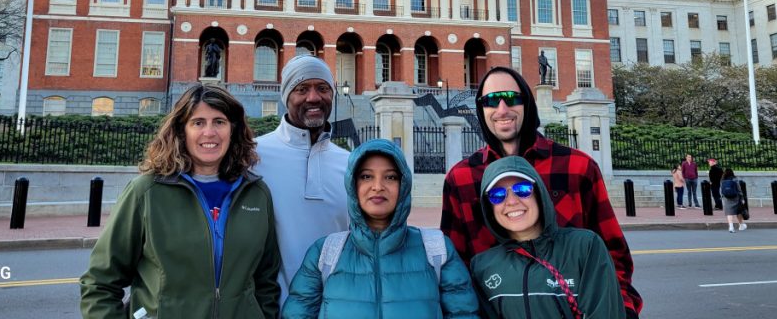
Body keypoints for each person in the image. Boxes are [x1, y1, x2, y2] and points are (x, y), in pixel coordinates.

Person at [441, 66, 643, 318]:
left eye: (512, 98)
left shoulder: (577, 166)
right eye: (491, 101)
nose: (502, 109)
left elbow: (613, 252)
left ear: (527, 103)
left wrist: (622, 308)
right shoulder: (461, 178)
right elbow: (454, 267)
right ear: (481, 110)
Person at [80, 84, 281, 319]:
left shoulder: (256, 193)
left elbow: (266, 280)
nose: (209, 132)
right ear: (181, 130)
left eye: (219, 121)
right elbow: (99, 283)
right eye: (198, 122)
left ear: (233, 129)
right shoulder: (147, 192)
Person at [282, 139, 479, 319]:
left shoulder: (437, 251)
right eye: (366, 176)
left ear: (403, 185)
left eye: (390, 177)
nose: (378, 186)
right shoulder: (324, 253)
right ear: (353, 184)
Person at [470, 156, 625, 319]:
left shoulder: (584, 247)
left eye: (522, 189)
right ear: (489, 208)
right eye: (497, 195)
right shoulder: (482, 266)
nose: (511, 201)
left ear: (539, 194)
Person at [255, 54, 351, 303]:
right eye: (301, 88)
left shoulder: (350, 163)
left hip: (337, 306)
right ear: (286, 95)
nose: (313, 97)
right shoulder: (252, 157)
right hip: (272, 307)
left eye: (322, 88)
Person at [721, 168, 748, 233]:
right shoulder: (735, 179)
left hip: (726, 197)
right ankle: (741, 225)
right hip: (735, 197)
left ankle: (731, 227)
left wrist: (722, 197)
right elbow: (739, 189)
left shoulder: (722, 180)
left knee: (729, 212)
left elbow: (721, 189)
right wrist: (742, 198)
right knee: (738, 211)